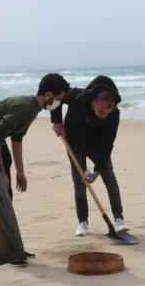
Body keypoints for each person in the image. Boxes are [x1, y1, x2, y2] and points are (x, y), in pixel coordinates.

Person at [0, 73, 69, 264]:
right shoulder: (24, 108)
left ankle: (10, 247)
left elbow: (17, 139)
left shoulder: (33, 109)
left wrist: (20, 172)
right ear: (48, 94)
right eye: (58, 99)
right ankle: (10, 250)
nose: (58, 103)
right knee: (2, 194)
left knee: (6, 193)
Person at [50, 76, 126, 236]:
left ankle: (119, 219)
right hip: (75, 140)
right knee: (79, 182)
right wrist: (56, 121)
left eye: (108, 111)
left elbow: (108, 145)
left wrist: (96, 171)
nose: (104, 115)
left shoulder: (114, 114)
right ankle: (82, 222)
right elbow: (58, 96)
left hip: (98, 145)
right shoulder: (78, 96)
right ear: (94, 101)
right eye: (101, 112)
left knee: (109, 177)